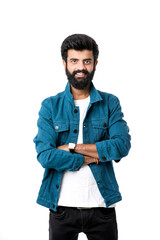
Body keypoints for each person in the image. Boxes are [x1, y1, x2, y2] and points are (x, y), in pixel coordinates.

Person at [33, 34, 131, 240]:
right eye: (74, 61)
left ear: (95, 63)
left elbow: (121, 146)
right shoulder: (50, 106)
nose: (81, 67)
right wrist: (90, 156)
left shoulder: (110, 102)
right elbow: (45, 155)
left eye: (86, 61)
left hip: (102, 206)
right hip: (61, 207)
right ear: (64, 64)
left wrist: (69, 147)